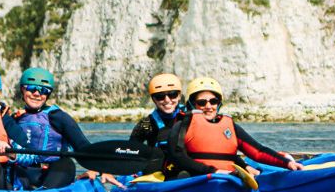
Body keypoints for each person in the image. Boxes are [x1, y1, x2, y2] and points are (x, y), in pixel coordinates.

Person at [164, 77, 303, 178]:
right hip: (199, 177)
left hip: (229, 178)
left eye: (213, 101)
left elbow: (258, 151)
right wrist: (213, 172)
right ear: (192, 104)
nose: (208, 106)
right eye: (202, 102)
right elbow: (177, 156)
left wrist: (287, 163)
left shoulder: (229, 125)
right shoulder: (182, 125)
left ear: (218, 104)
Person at [12, 67, 119, 189]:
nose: (37, 94)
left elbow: (83, 147)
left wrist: (102, 169)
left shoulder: (59, 117)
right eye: (31, 88)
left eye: (44, 90)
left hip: (55, 172)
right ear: (22, 89)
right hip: (24, 173)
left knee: (65, 162)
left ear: (48, 94)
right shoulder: (14, 119)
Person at [129, 73, 186, 172]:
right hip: (157, 173)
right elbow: (129, 151)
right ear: (153, 99)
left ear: (179, 96)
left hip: (186, 170)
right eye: (160, 96)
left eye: (172, 94)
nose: (167, 100)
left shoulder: (190, 117)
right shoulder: (146, 124)